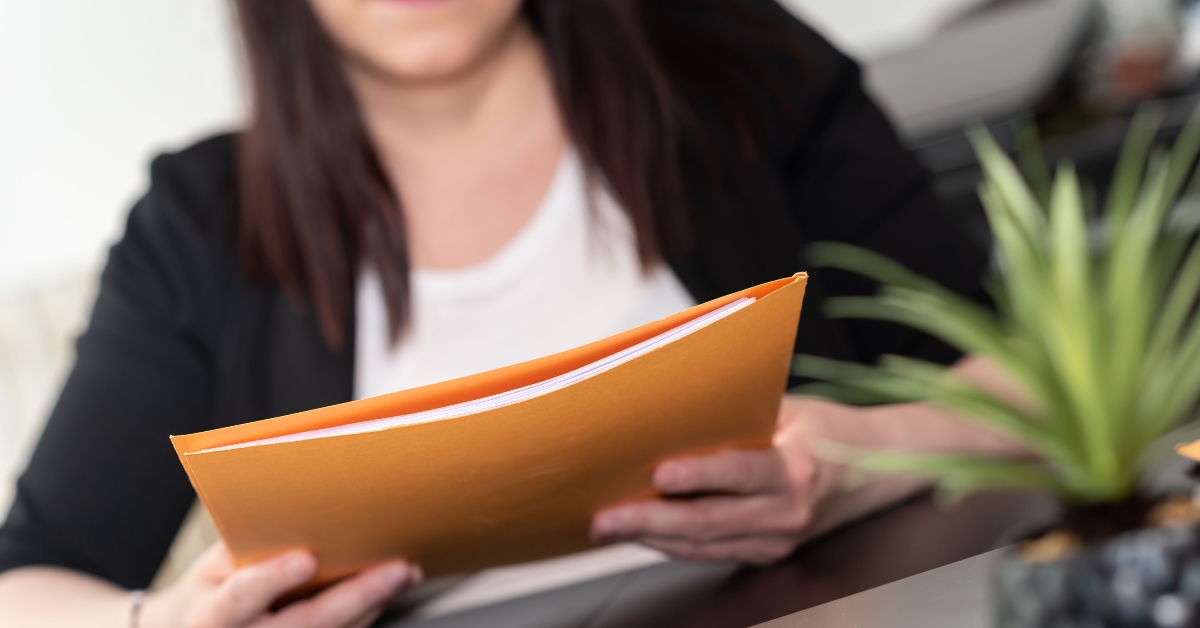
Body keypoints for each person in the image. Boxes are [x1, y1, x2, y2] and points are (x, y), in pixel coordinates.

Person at [0, 0, 1025, 626]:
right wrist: (166, 622)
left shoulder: (741, 72)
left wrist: (861, 459)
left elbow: (1023, 389)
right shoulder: (200, 223)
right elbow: (25, 586)